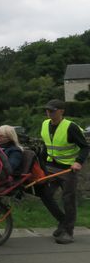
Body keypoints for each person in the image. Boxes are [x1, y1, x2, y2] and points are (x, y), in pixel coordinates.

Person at [36, 99, 88, 244]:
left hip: (68, 169)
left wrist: (78, 162)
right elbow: (47, 145)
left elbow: (85, 146)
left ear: (61, 111)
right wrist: (42, 164)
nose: (49, 112)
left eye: (52, 110)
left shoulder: (70, 127)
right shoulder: (45, 124)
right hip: (51, 167)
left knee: (68, 199)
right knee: (45, 193)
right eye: (47, 110)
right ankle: (63, 221)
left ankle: (68, 232)